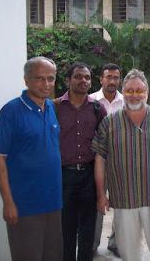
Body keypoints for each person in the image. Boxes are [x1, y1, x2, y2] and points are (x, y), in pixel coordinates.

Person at [92, 69, 150, 261]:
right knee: (128, 253)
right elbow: (100, 159)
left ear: (147, 93)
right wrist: (101, 194)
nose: (134, 95)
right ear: (123, 91)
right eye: (129, 90)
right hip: (123, 197)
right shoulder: (109, 122)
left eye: (139, 90)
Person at [0, 56, 63, 261]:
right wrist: (8, 202)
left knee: (52, 256)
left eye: (51, 78)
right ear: (26, 80)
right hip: (25, 206)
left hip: (53, 203)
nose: (46, 84)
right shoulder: (10, 111)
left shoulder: (50, 108)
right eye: (40, 79)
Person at [55, 62, 107, 261]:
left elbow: (105, 141)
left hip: (88, 175)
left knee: (87, 230)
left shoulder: (97, 108)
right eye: (78, 76)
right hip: (63, 175)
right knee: (65, 229)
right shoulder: (56, 106)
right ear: (68, 80)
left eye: (87, 77)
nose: (83, 81)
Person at [89, 63, 123, 256]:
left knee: (122, 205)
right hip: (96, 162)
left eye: (115, 77)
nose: (112, 81)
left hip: (121, 164)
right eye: (108, 77)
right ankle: (92, 244)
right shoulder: (91, 100)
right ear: (101, 79)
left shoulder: (127, 101)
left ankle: (117, 243)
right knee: (96, 204)